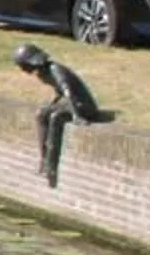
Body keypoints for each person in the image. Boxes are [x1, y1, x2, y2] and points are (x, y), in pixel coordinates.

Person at [14, 43, 107, 187]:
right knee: (41, 114)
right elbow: (59, 92)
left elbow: (68, 91)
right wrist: (53, 104)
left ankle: (51, 166)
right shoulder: (43, 73)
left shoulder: (55, 69)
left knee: (55, 117)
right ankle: (43, 158)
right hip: (71, 103)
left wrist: (77, 115)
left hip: (82, 106)